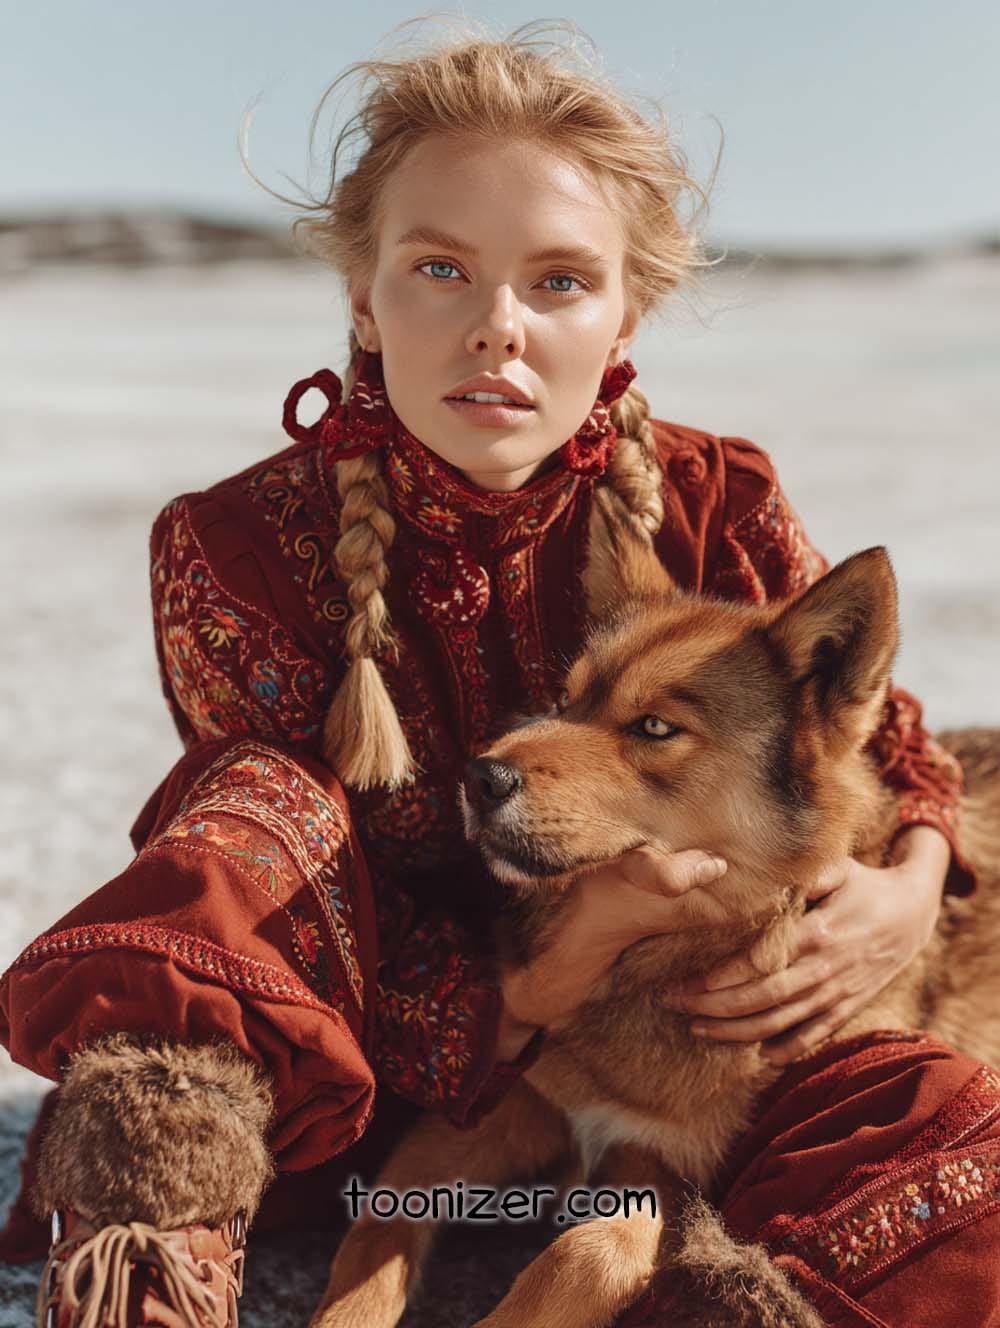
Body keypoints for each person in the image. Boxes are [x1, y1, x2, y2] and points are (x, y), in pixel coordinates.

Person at [0, 19, 987, 1328]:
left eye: (560, 282)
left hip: (663, 1037)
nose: (497, 330)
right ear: (365, 292)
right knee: (243, 829)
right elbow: (272, 889)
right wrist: (552, 969)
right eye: (442, 269)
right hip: (364, 1055)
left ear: (627, 306)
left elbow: (874, 731)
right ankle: (148, 1264)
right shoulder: (237, 551)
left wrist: (912, 878)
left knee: (935, 1117)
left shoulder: (713, 498)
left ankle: (761, 1299)